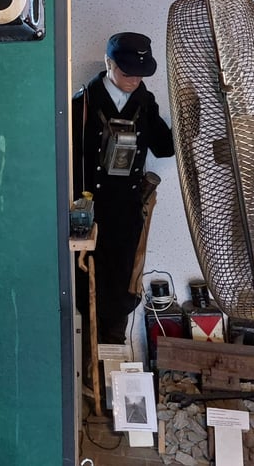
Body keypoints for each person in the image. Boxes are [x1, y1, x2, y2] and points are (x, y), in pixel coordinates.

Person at [72, 32, 174, 346]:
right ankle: (86, 358)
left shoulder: (145, 102)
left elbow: (164, 147)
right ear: (108, 63)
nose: (134, 80)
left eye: (141, 74)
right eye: (127, 72)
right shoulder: (82, 104)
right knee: (86, 284)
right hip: (89, 211)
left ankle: (113, 355)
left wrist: (189, 119)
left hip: (128, 212)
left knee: (124, 284)